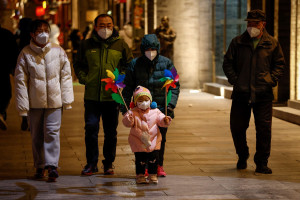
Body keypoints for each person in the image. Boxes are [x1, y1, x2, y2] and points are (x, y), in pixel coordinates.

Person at [222, 9, 285, 174]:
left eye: (255, 23)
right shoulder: (238, 42)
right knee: (237, 127)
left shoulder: (272, 43)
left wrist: (270, 80)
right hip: (241, 93)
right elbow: (227, 63)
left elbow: (279, 64)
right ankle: (242, 155)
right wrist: (236, 80)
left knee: (264, 129)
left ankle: (262, 163)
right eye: (249, 23)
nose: (251, 26)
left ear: (263, 24)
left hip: (263, 94)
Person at [14, 19, 74, 181]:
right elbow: (20, 81)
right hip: (35, 103)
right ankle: (40, 166)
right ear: (32, 34)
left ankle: (52, 165)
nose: (43, 34)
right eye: (39, 31)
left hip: (55, 102)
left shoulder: (58, 51)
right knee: (36, 135)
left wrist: (67, 99)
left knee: (52, 132)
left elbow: (66, 76)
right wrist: (23, 106)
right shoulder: (25, 53)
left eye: (45, 30)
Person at [74, 14, 133, 176]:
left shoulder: (121, 44)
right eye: (102, 25)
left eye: (109, 25)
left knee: (110, 131)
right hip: (92, 96)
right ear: (95, 27)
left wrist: (120, 79)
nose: (105, 28)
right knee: (91, 129)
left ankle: (108, 163)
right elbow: (78, 64)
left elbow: (128, 65)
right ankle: (91, 163)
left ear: (113, 26)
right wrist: (85, 78)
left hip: (111, 96)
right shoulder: (86, 44)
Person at [121, 34, 180, 177]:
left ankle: (158, 165)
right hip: (140, 110)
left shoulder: (167, 63)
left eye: (153, 48)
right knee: (142, 137)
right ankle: (145, 166)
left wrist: (170, 106)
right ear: (142, 49)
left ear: (158, 48)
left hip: (160, 109)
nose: (151, 51)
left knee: (160, 139)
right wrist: (125, 108)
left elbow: (175, 85)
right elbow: (128, 87)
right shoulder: (135, 64)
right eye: (148, 48)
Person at [122, 86, 172, 184]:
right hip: (138, 141)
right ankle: (140, 175)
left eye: (146, 100)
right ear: (135, 102)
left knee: (154, 159)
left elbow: (161, 119)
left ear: (150, 100)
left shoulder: (156, 111)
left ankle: (152, 174)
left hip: (154, 140)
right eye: (140, 100)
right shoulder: (132, 112)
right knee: (140, 160)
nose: (144, 102)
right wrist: (129, 119)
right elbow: (127, 123)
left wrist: (165, 120)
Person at [0, 25, 19, 130]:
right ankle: (1, 111)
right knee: (5, 93)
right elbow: (14, 52)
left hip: (4, 68)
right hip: (4, 69)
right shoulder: (7, 34)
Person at [15, 17, 32, 131]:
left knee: (23, 93)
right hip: (33, 69)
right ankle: (31, 120)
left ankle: (24, 118)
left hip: (22, 68)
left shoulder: (19, 37)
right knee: (32, 95)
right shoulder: (32, 37)